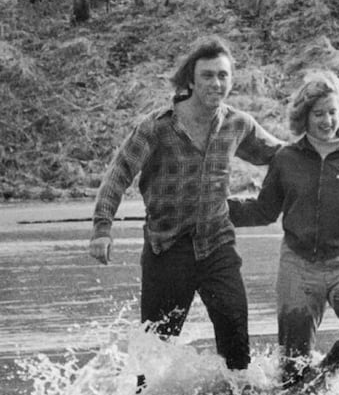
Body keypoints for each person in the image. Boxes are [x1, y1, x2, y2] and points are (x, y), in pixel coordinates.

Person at [88, 36, 284, 377]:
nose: (216, 83)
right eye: (207, 75)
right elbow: (118, 174)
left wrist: (335, 143)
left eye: (223, 75)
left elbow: (282, 155)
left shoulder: (237, 124)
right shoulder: (157, 128)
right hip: (167, 249)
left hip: (217, 245)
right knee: (153, 355)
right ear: (190, 80)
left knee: (237, 346)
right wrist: (102, 229)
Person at [229, 70, 339, 393]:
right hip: (298, 265)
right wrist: (218, 208)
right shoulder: (286, 158)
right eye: (318, 113)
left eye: (333, 112)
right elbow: (264, 210)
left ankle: (320, 381)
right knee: (291, 367)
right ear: (303, 116)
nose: (327, 120)